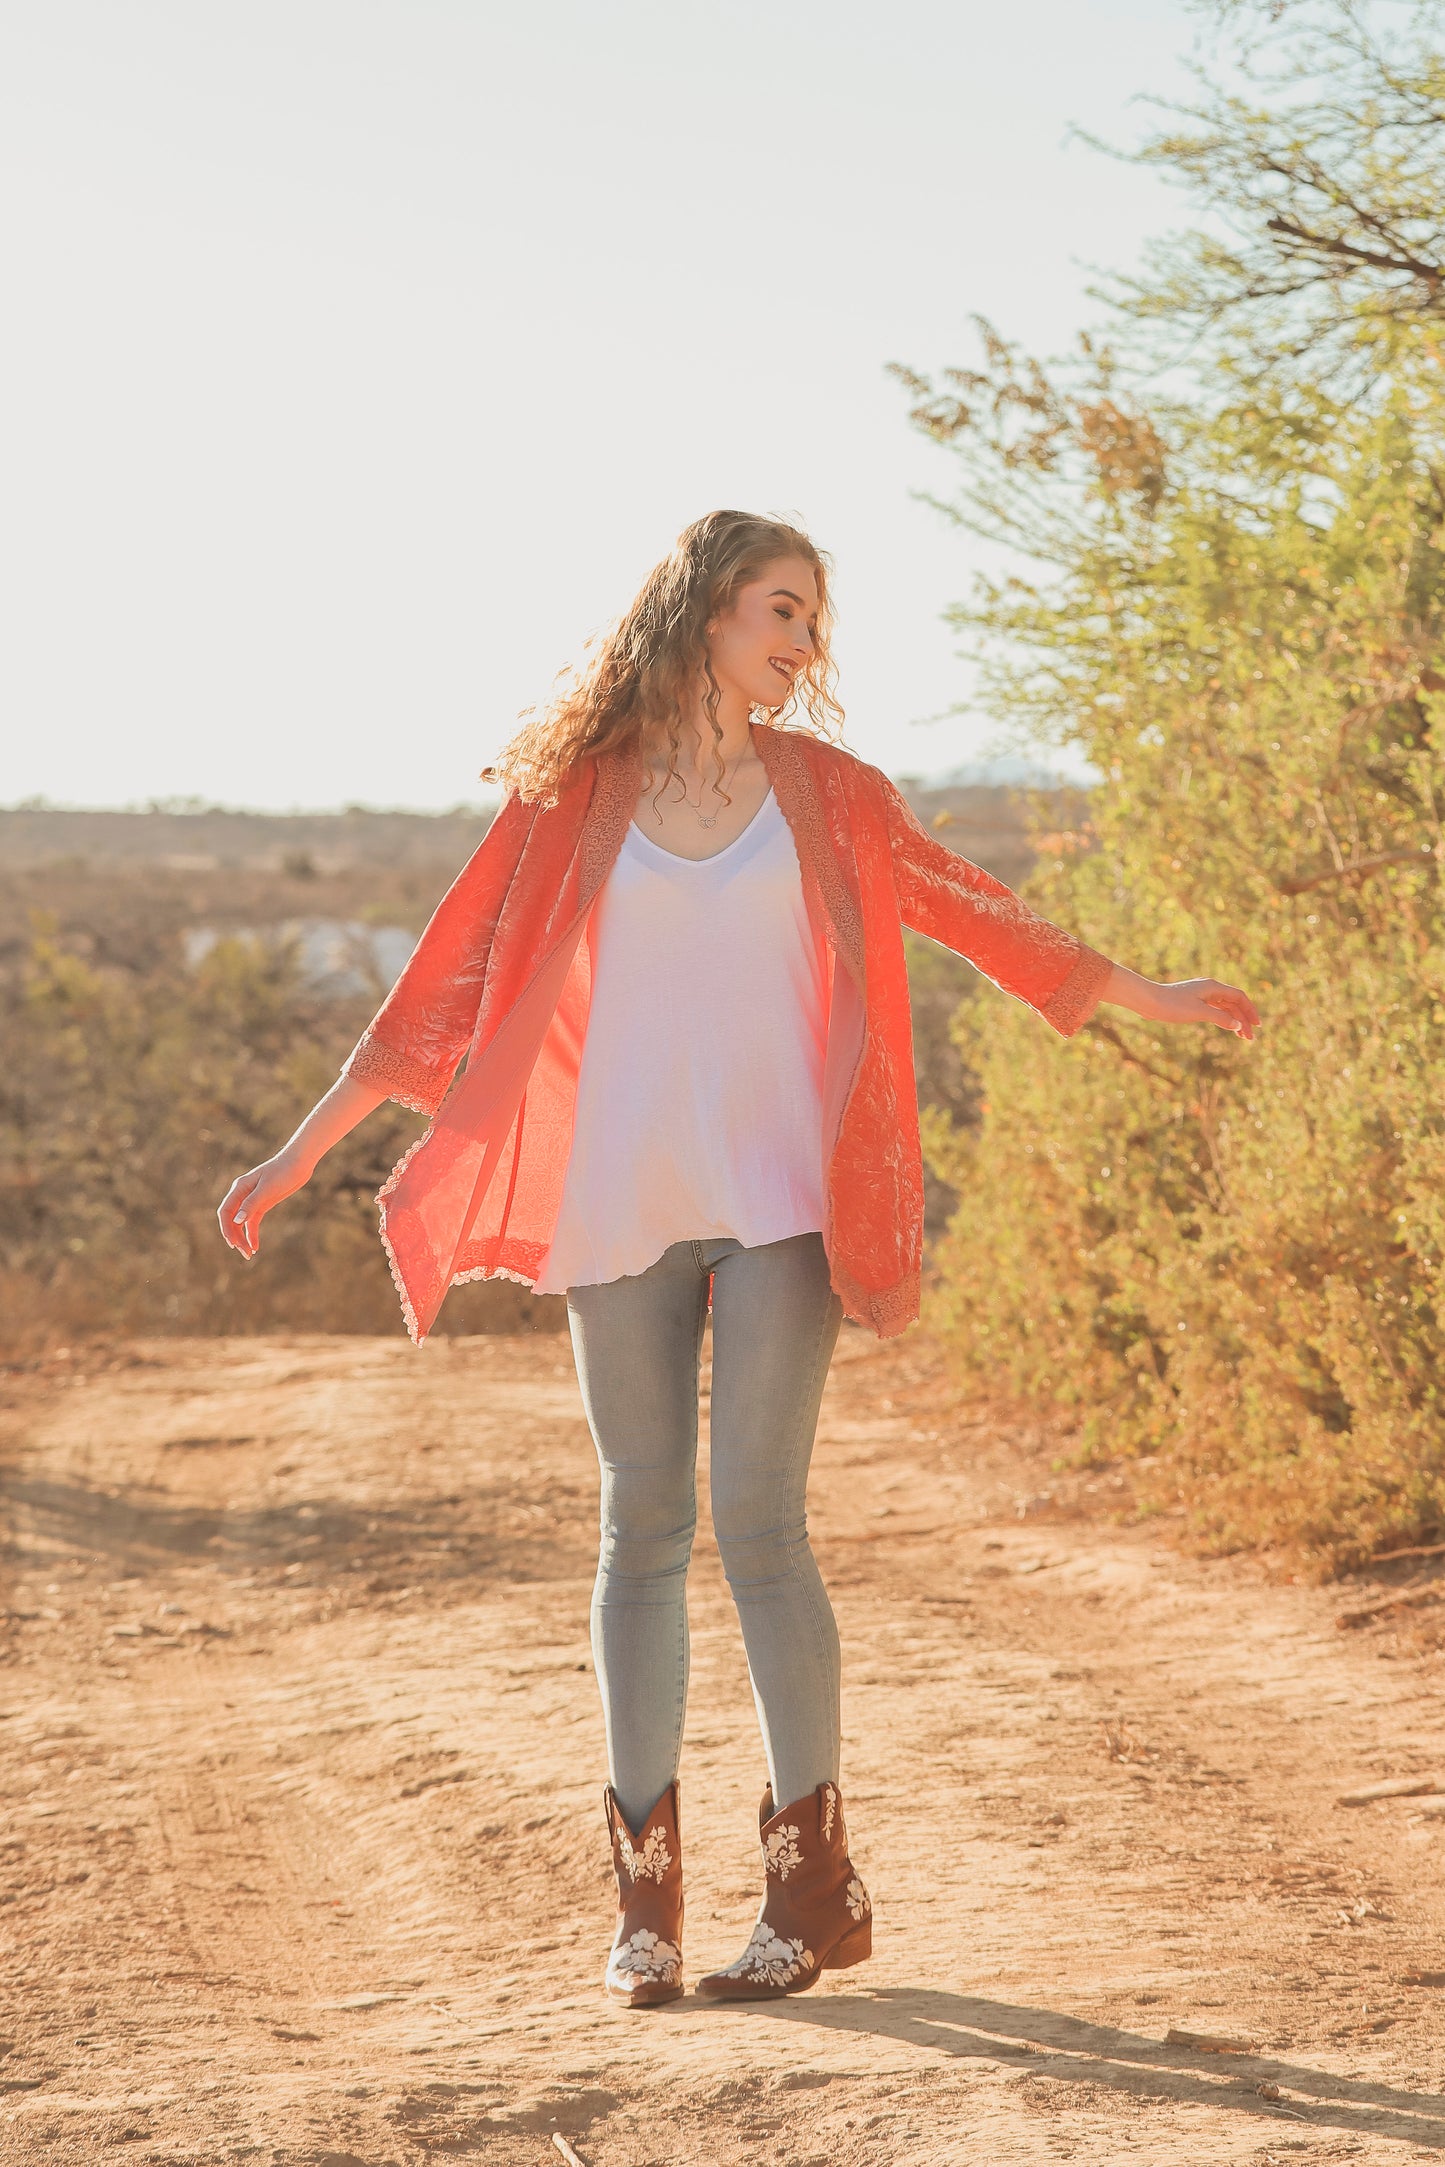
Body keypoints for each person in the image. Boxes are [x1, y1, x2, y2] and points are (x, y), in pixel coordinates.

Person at [217, 509, 1258, 2010]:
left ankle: (811, 1890)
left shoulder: (829, 796)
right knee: (636, 1528)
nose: (802, 642)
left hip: (783, 1194)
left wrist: (1146, 997)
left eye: (813, 620)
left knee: (758, 1525)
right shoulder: (570, 797)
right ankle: (644, 1911)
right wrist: (298, 1151)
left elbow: (978, 912)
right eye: (782, 608)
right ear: (704, 609)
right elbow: (438, 983)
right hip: (620, 1197)